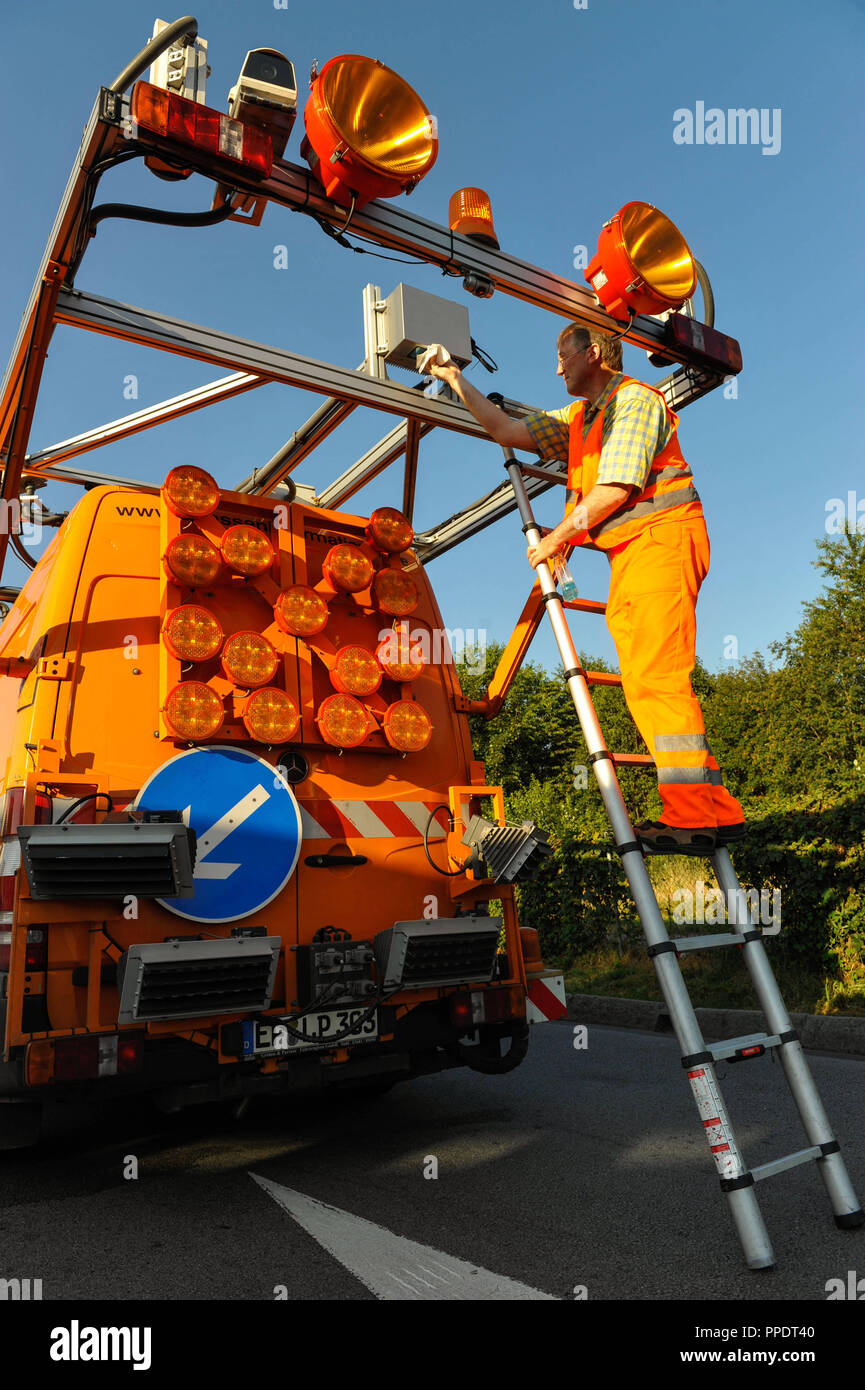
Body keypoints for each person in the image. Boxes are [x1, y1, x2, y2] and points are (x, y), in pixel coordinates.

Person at [418, 324, 745, 855]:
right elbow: (504, 429)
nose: (556, 368)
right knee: (651, 679)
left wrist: (558, 537)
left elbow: (618, 484)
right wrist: (453, 375)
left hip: (661, 541)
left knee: (654, 680)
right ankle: (716, 812)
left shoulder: (635, 400)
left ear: (593, 352)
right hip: (634, 552)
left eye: (561, 355)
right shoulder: (578, 419)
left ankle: (690, 817)